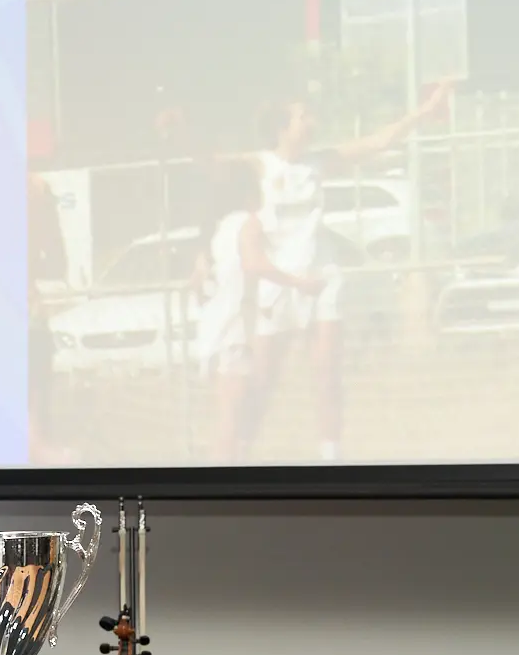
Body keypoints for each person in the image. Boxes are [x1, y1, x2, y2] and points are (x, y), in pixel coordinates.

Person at [245, 82, 454, 461]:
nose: (311, 121)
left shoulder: (318, 162)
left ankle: (331, 459)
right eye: (302, 116)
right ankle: (235, 454)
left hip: (322, 277)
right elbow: (209, 165)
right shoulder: (259, 165)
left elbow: (379, 141)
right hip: (278, 284)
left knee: (326, 372)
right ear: (281, 127)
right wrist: (178, 137)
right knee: (261, 380)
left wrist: (423, 113)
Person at [193, 158, 319, 462]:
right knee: (230, 418)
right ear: (250, 193)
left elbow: (205, 282)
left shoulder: (220, 228)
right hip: (231, 333)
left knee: (232, 413)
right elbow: (253, 263)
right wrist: (298, 282)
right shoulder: (248, 224)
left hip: (214, 330)